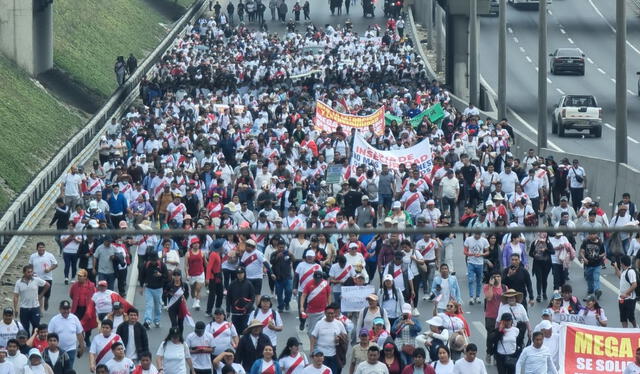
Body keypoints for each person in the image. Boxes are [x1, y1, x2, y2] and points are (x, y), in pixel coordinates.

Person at [309, 304, 347, 374]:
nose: (330, 315)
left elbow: (345, 336)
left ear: (334, 313)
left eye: (332, 313)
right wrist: (311, 350)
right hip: (321, 355)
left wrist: (339, 338)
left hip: (334, 355)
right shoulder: (319, 323)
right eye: (328, 313)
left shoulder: (339, 323)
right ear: (325, 313)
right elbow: (313, 336)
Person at [46, 300, 84, 368]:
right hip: (57, 349)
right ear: (60, 309)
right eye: (64, 309)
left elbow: (79, 333)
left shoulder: (74, 318)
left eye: (67, 309)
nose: (66, 311)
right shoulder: (54, 320)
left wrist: (82, 347)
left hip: (71, 348)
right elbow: (49, 336)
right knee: (58, 368)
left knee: (69, 369)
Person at [13, 265, 49, 334]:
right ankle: (27, 343)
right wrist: (16, 309)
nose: (30, 274)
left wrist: (41, 295)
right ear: (24, 273)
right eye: (28, 272)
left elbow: (47, 285)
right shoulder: (18, 282)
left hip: (35, 308)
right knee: (25, 328)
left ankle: (33, 342)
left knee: (36, 327)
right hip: (24, 309)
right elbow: (16, 296)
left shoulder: (36, 280)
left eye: (31, 272)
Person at [140, 251, 168, 329]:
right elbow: (142, 276)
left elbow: (167, 277)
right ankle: (147, 321)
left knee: (157, 306)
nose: (153, 262)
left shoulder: (162, 265)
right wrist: (141, 287)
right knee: (149, 305)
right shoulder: (146, 265)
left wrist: (160, 275)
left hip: (159, 289)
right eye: (152, 260)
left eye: (154, 260)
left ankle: (157, 320)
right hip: (148, 288)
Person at [28, 242, 58, 311]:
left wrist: (49, 269)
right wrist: (31, 272)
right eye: (39, 247)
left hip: (47, 278)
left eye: (42, 247)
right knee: (39, 295)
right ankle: (40, 310)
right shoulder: (33, 256)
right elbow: (30, 265)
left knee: (47, 295)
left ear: (44, 248)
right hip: (37, 278)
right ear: (37, 248)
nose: (41, 249)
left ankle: (46, 301)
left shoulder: (49, 255)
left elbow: (55, 264)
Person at [226, 266, 256, 334]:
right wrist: (228, 310)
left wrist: (247, 306)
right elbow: (228, 298)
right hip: (235, 312)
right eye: (238, 273)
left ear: (244, 273)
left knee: (246, 330)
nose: (240, 275)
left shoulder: (249, 284)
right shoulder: (232, 284)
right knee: (235, 331)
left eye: (241, 273)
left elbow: (252, 298)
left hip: (246, 313)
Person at [463, 232, 489, 305]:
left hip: (480, 263)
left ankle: (477, 297)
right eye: (476, 234)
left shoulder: (484, 240)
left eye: (479, 234)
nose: (477, 236)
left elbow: (487, 251)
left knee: (479, 281)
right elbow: (465, 251)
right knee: (471, 280)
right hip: (471, 262)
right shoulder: (468, 239)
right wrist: (471, 254)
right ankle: (471, 297)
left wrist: (481, 254)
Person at [579, 232, 606, 299]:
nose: (592, 235)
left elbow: (604, 253)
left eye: (593, 234)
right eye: (591, 234)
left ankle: (597, 290)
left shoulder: (600, 243)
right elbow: (581, 251)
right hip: (588, 264)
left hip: (597, 264)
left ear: (596, 235)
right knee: (589, 279)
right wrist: (584, 258)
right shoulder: (586, 241)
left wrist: (599, 256)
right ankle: (590, 290)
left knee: (596, 277)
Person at [528, 233, 554, 302]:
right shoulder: (534, 243)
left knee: (544, 279)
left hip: (546, 264)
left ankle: (544, 292)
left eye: (543, 240)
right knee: (539, 279)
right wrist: (535, 254)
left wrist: (545, 250)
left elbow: (553, 252)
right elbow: (530, 253)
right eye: (540, 239)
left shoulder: (548, 243)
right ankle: (539, 295)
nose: (542, 241)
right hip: (537, 263)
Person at [614, 255, 638, 327]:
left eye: (621, 263)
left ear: (623, 263)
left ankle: (636, 329)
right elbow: (620, 277)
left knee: (631, 317)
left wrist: (626, 293)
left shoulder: (631, 272)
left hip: (629, 298)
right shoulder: (624, 271)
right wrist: (616, 268)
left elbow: (634, 284)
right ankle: (625, 332)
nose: (620, 264)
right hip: (621, 298)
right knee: (623, 318)